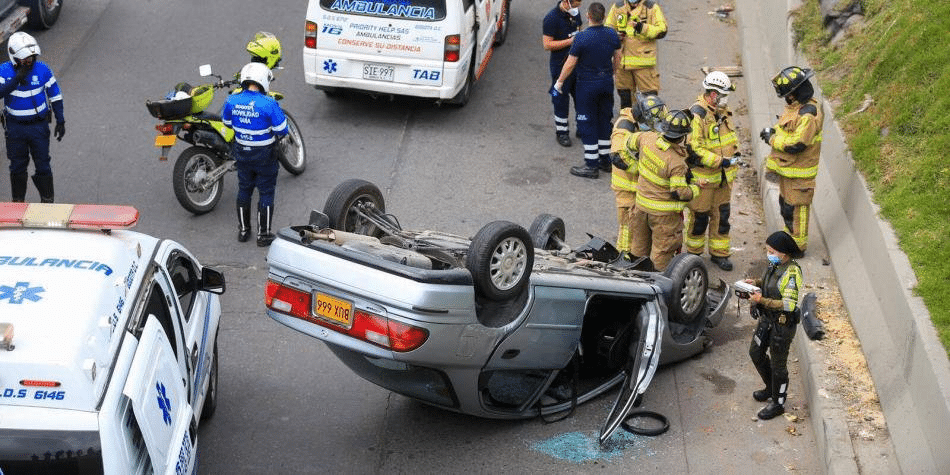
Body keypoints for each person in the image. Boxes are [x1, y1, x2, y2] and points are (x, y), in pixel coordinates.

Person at [624, 109, 699, 271]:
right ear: (682, 136)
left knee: (638, 247)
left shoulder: (646, 138)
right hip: (663, 218)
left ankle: (635, 281)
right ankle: (656, 287)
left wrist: (640, 161)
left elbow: (628, 143)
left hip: (640, 208)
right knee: (661, 254)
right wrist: (696, 188)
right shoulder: (676, 162)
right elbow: (679, 193)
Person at [222, 62, 288, 247]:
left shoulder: (232, 100)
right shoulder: (268, 103)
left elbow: (226, 122)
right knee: (266, 192)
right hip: (265, 155)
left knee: (244, 189)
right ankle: (263, 234)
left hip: (242, 152)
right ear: (262, 81)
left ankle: (243, 231)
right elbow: (282, 129)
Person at [554, 2, 621, 179]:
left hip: (587, 85)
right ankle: (605, 160)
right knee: (604, 120)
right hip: (606, 82)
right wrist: (612, 73)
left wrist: (559, 82)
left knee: (587, 123)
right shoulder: (611, 34)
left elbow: (570, 64)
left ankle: (591, 164)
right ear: (604, 17)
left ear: (588, 16)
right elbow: (618, 57)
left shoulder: (582, 38)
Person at [760, 66, 824, 253]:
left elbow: (797, 144)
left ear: (795, 93)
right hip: (789, 171)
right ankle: (790, 236)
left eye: (788, 95)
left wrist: (772, 139)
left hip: (800, 174)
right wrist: (773, 130)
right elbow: (787, 128)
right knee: (787, 206)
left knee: (798, 209)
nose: (786, 99)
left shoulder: (809, 114)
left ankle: (798, 246)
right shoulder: (797, 108)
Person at [742, 230, 804, 420]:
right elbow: (770, 282)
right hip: (767, 320)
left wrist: (761, 300)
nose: (769, 254)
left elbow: (789, 304)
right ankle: (770, 387)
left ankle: (778, 402)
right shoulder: (774, 264)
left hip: (782, 326)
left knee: (779, 365)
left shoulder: (792, 273)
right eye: (768, 250)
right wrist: (755, 283)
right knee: (756, 352)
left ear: (784, 253)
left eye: (772, 251)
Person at [0, 32, 65, 203]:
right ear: (15, 57)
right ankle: (18, 202)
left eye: (32, 58)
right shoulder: (4, 71)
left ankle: (47, 201)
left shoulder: (43, 69)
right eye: (26, 59)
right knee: (17, 166)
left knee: (43, 164)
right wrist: (16, 80)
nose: (30, 62)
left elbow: (55, 95)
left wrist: (61, 120)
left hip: (38, 127)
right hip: (15, 129)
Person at [684, 71, 739, 271]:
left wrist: (733, 157)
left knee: (722, 217)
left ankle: (719, 254)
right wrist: (720, 161)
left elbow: (729, 139)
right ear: (713, 94)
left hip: (723, 178)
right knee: (699, 219)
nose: (727, 99)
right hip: (704, 179)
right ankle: (693, 256)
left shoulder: (722, 112)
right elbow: (694, 149)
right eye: (724, 95)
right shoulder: (696, 115)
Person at [609, 93, 666, 257]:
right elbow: (617, 157)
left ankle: (640, 257)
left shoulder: (654, 110)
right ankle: (624, 261)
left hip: (642, 186)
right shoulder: (624, 127)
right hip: (627, 187)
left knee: (642, 228)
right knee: (629, 228)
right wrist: (644, 169)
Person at [604, 0, 667, 110]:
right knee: (625, 99)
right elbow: (608, 28)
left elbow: (662, 30)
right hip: (622, 63)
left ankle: (649, 126)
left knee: (650, 101)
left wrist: (642, 28)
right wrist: (615, 35)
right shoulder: (618, 7)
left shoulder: (651, 7)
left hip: (644, 63)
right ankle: (627, 124)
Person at [542, 0, 583, 147]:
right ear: (566, 2)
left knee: (581, 99)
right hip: (560, 67)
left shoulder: (575, 13)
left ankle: (582, 127)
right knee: (560, 100)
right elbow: (547, 45)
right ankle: (562, 132)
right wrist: (570, 42)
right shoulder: (551, 18)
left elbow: (579, 28)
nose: (578, 7)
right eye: (576, 4)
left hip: (577, 66)